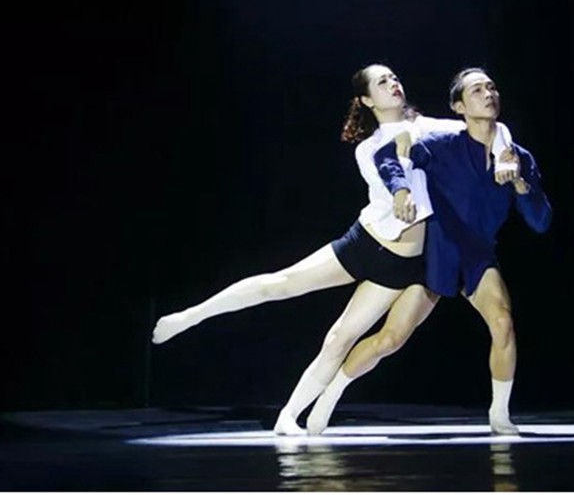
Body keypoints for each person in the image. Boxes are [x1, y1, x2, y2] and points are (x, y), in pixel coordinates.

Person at [152, 64, 513, 435]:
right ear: (366, 100)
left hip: (404, 264)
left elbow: (490, 128)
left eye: (394, 78)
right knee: (281, 284)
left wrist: (504, 155)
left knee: (340, 339)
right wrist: (401, 191)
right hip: (368, 243)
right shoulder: (368, 148)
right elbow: (391, 174)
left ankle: (288, 416)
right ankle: (192, 316)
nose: (393, 83)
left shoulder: (427, 127)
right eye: (382, 82)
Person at [305, 68, 551, 436]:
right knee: (390, 339)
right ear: (458, 107)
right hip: (435, 253)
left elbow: (541, 221)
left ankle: (499, 415)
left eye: (491, 87)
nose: (488, 94)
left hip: (478, 257)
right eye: (477, 90)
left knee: (502, 322)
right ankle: (331, 394)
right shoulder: (441, 144)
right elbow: (388, 156)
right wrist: (401, 190)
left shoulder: (515, 156)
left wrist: (519, 183)